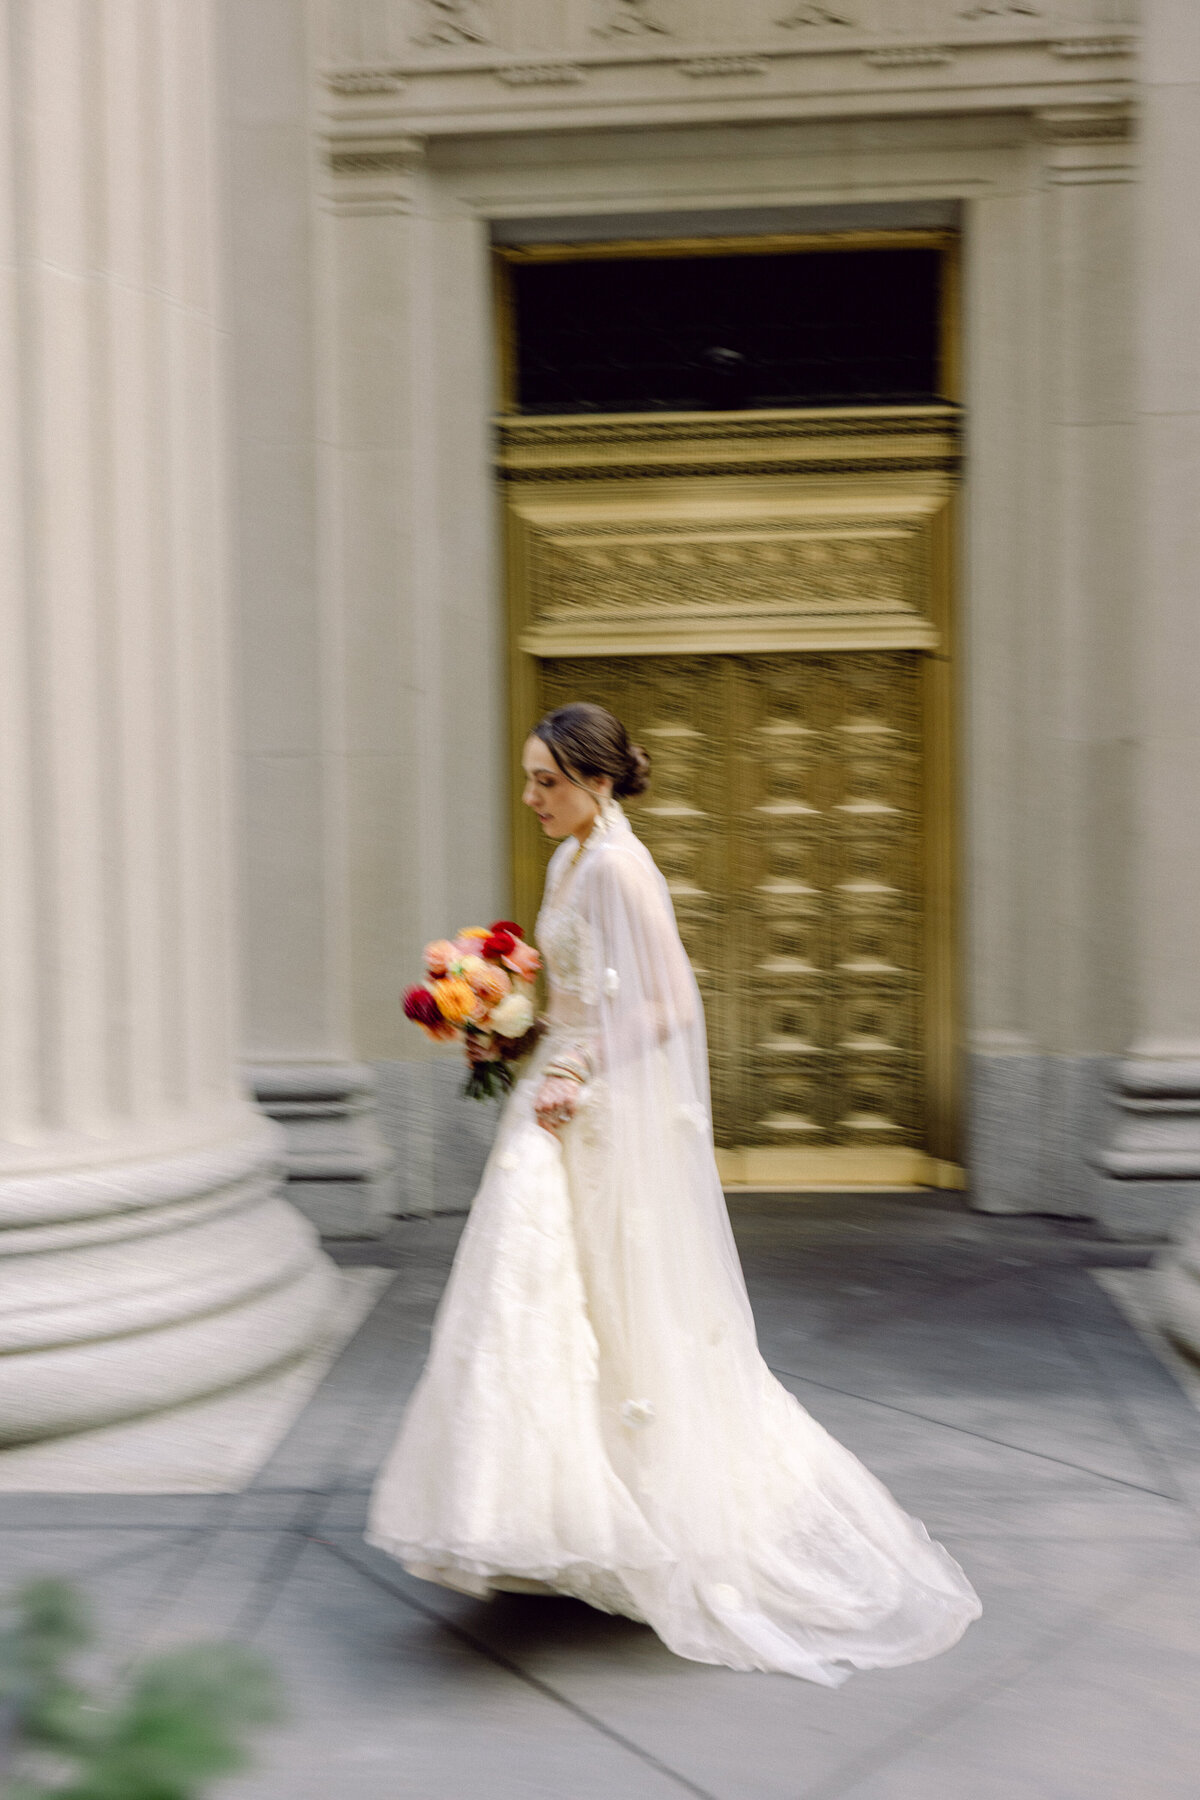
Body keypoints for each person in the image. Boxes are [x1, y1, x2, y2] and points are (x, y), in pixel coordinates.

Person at [368, 702, 980, 1683]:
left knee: (606, 1298)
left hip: (591, 1110)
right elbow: (579, 989)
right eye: (529, 778)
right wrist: (512, 1024)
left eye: (547, 782)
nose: (530, 797)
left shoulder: (616, 864)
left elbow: (668, 1005)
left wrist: (577, 1067)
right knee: (541, 1300)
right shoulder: (573, 856)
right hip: (557, 1097)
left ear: (598, 783)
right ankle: (553, 1508)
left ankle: (632, 1511)